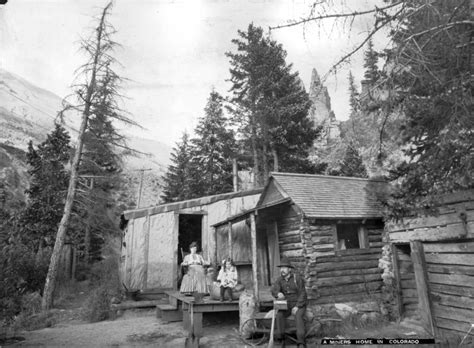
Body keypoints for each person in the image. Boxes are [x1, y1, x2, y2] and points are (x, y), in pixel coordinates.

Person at [271, 257, 307, 348]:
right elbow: (273, 290)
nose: (282, 270)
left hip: (298, 304)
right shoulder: (279, 280)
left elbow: (303, 294)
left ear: (289, 269)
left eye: (284, 268)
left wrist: (297, 306)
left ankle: (301, 342)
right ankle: (282, 340)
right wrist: (277, 293)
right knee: (279, 315)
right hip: (286, 305)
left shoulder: (297, 278)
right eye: (281, 268)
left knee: (298, 317)